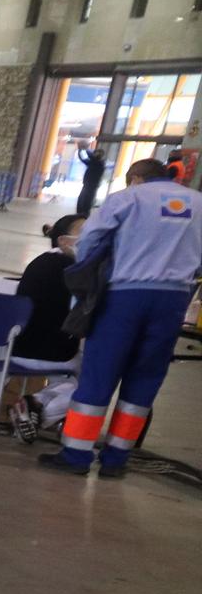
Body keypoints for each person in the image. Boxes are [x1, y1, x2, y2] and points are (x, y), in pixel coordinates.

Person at [38, 159, 202, 478]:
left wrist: (91, 272)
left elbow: (88, 242)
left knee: (100, 372)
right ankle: (116, 460)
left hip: (125, 296)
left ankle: (76, 454)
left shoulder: (128, 198)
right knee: (145, 377)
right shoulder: (198, 202)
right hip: (174, 300)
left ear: (136, 178)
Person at [12, 214, 86, 433]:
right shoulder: (76, 272)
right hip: (54, 352)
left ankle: (32, 405)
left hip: (18, 349)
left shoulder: (39, 262)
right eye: (86, 233)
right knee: (95, 384)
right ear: (63, 240)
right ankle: (38, 408)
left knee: (69, 384)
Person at [76, 141, 107, 219]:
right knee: (81, 202)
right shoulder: (93, 162)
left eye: (97, 153)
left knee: (87, 203)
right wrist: (80, 150)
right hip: (86, 185)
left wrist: (85, 149)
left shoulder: (99, 163)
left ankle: (84, 217)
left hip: (92, 187)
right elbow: (83, 159)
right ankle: (79, 216)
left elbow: (90, 156)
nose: (95, 154)